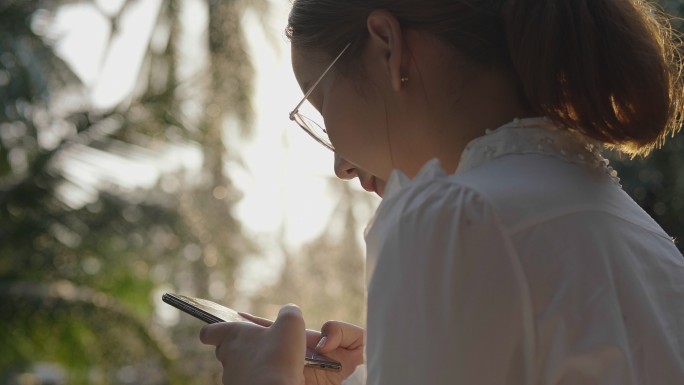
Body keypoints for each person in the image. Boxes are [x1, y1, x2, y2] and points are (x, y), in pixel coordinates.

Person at [199, 0, 684, 384]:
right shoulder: (631, 228)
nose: (341, 164)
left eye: (319, 99)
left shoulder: (455, 218)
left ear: (387, 45)